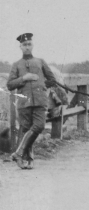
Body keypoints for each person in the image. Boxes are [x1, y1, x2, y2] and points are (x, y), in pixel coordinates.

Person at [6, 33, 59, 169]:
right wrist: (24, 78)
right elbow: (10, 85)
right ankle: (29, 159)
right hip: (24, 102)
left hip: (40, 101)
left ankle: (18, 153)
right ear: (20, 47)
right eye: (24, 45)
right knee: (25, 129)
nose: (27, 47)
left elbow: (52, 79)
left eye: (29, 44)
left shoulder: (40, 61)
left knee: (39, 126)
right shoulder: (16, 65)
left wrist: (41, 86)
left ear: (33, 45)